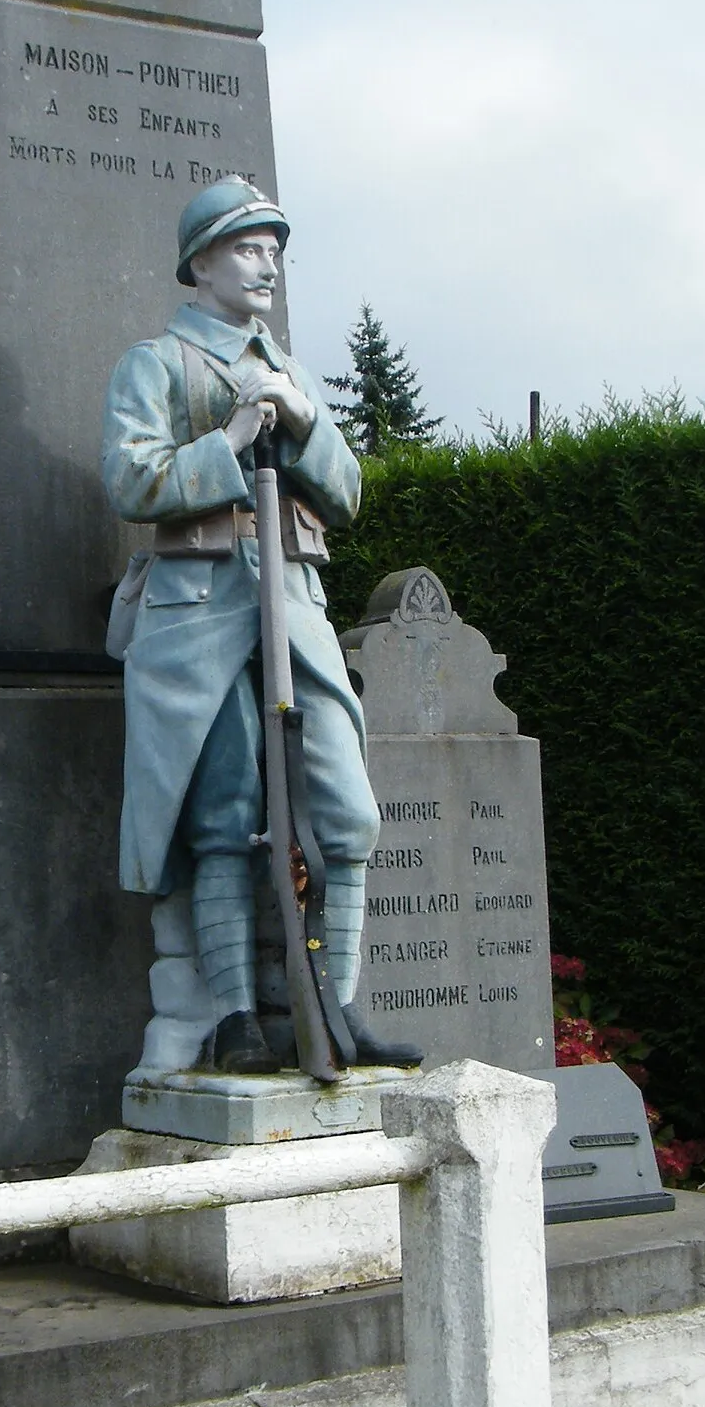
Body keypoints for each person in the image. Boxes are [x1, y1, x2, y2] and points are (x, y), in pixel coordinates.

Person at [101, 176, 421, 1075]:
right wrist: (231, 438)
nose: (267, 261)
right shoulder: (156, 363)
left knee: (346, 807)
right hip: (199, 609)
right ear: (200, 261)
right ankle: (236, 1017)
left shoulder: (291, 369)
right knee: (223, 809)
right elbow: (130, 481)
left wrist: (307, 419)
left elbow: (348, 493)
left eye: (275, 247)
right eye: (247, 246)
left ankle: (338, 1011)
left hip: (296, 604)